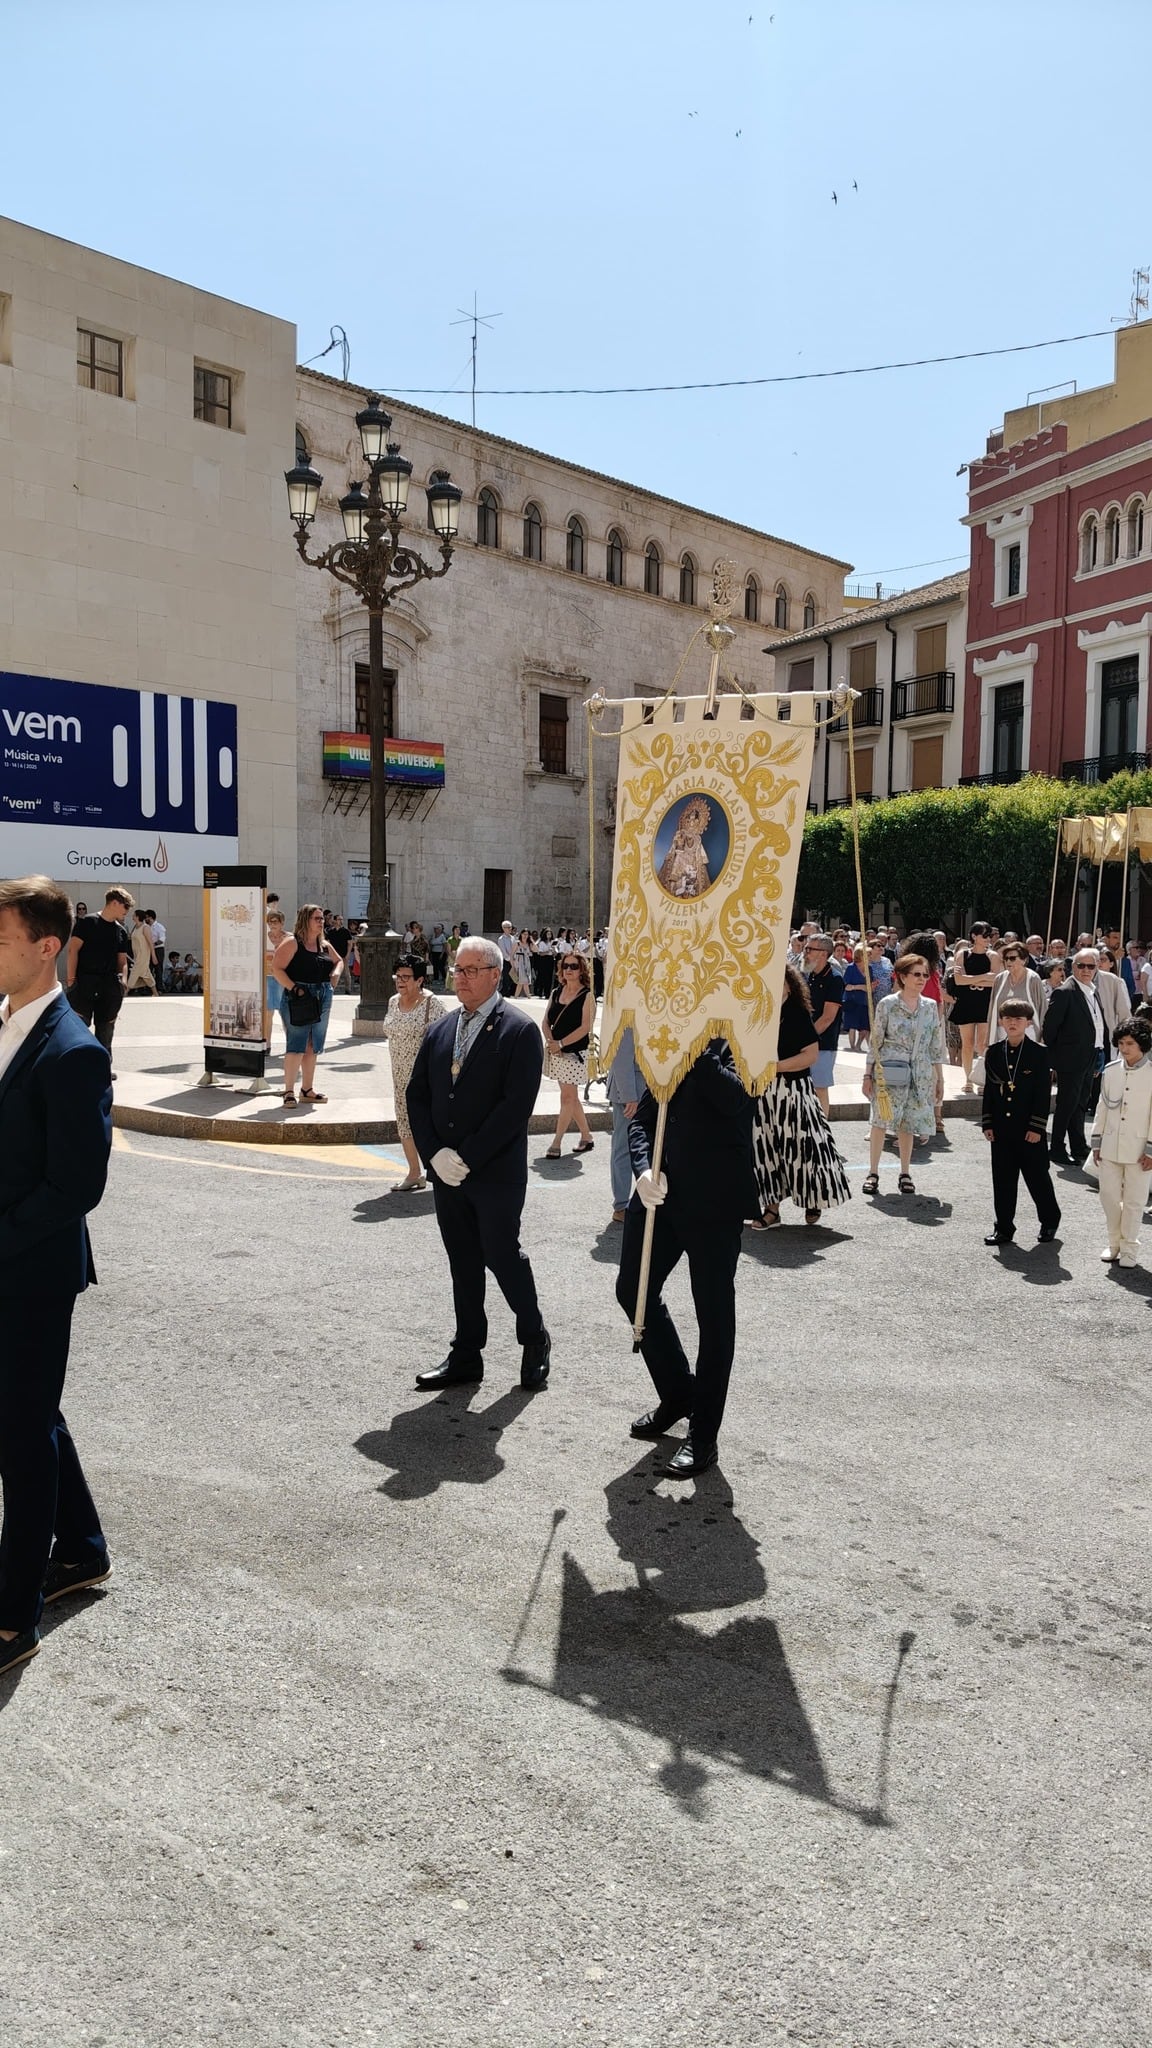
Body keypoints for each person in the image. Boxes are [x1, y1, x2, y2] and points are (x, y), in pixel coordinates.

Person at [0, 877, 113, 1677]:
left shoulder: (74, 1051)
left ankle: (14, 1618)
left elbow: (76, 1187)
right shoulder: (5, 1023)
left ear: (46, 948)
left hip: (32, 1270)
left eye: (0, 939)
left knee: (19, 1436)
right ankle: (81, 1547)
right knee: (32, 1410)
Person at [407, 936, 551, 1393]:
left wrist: (466, 1156)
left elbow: (514, 1107)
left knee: (501, 1255)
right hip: (446, 1169)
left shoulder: (519, 1031)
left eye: (471, 971)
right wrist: (433, 1152)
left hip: (494, 1172)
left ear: (495, 975)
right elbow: (417, 1094)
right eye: (458, 970)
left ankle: (534, 1336)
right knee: (463, 1261)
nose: (462, 979)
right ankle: (466, 1353)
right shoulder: (440, 1029)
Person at [617, 1039, 757, 1479]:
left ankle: (703, 1434)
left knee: (713, 1317)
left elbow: (737, 1101)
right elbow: (644, 1118)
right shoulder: (670, 1038)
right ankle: (678, 1392)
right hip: (660, 1197)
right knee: (633, 1290)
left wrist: (697, 1051)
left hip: (714, 1203)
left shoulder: (742, 1035)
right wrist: (643, 1169)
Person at [751, 963, 850, 1228]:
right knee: (766, 1150)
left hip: (794, 1091)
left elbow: (810, 1055)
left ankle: (813, 1198)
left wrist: (776, 1067)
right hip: (764, 1094)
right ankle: (771, 1209)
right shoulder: (757, 1013)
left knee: (805, 1149)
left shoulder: (798, 1012)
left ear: (789, 984)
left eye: (779, 980)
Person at [861, 953, 945, 1196]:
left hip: (920, 1073)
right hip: (891, 1071)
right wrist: (867, 1075)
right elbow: (876, 1041)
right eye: (916, 974)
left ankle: (905, 1172)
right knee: (880, 1121)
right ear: (902, 976)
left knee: (909, 1123)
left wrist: (939, 1078)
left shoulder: (930, 1006)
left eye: (925, 975)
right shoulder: (887, 1004)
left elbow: (935, 1045)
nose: (921, 979)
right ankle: (873, 1172)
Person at [980, 999, 1060, 1247]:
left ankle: (1049, 1220)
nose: (1012, 1023)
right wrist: (987, 1123)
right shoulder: (995, 1052)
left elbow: (1042, 1094)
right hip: (1002, 1129)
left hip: (1028, 1128)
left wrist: (1037, 1127)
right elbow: (990, 1091)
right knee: (1003, 1180)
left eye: (1018, 1019)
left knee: (1037, 1177)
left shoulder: (1039, 1053)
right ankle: (1004, 1227)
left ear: (1028, 1023)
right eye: (1008, 1019)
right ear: (1001, 1022)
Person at [1090, 1017, 1152, 1268]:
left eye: (1130, 1044)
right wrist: (1096, 1141)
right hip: (1110, 1144)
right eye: (1122, 1043)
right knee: (1108, 1197)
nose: (1124, 1048)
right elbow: (1102, 1106)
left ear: (1142, 1045)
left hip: (1140, 1148)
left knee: (1135, 1201)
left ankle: (1129, 1248)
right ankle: (1114, 1243)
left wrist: (1151, 1149)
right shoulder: (1111, 1070)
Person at [382, 954, 447, 1191]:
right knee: (404, 1121)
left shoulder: (432, 1004)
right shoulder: (393, 1002)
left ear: (419, 980)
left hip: (424, 1076)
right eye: (398, 976)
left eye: (406, 977)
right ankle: (414, 1172)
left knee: (429, 1123)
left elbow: (446, 1037)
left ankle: (441, 1171)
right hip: (399, 1075)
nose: (400, 981)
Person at [271, 905, 342, 1107]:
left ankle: (307, 1089)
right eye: (316, 918)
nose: (321, 922)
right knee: (297, 1044)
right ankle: (288, 1091)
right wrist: (294, 988)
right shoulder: (292, 943)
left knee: (313, 1044)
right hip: (299, 996)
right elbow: (277, 968)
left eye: (322, 918)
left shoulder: (324, 945)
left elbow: (338, 961)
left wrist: (335, 975)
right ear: (305, 920)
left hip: (322, 995)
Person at [1043, 947, 1107, 1164]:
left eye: (1091, 966)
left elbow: (1096, 1022)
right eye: (1081, 966)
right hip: (1070, 1058)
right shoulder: (1065, 992)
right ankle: (1057, 1148)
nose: (1086, 970)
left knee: (1080, 1103)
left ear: (1096, 968)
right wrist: (1058, 1058)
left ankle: (1078, 1145)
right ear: (1073, 967)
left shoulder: (1092, 989)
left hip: (1091, 1055)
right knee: (1066, 1105)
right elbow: (1050, 1029)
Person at [66, 887, 133, 1067]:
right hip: (84, 983)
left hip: (110, 986)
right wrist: (71, 981)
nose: (127, 911)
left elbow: (122, 960)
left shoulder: (120, 931)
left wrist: (123, 981)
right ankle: (75, 1068)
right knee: (78, 1028)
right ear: (114, 903)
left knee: (106, 1030)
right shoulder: (87, 923)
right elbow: (73, 951)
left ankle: (103, 1068)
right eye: (125, 906)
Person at [542, 950, 596, 1157]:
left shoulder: (587, 996)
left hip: (574, 1054)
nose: (569, 970)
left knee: (567, 1098)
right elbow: (546, 1021)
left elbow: (585, 1027)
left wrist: (561, 1043)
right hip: (556, 1053)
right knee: (571, 1098)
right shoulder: (556, 992)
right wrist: (551, 1042)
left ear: (582, 970)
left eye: (574, 966)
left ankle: (556, 1142)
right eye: (566, 966)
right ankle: (586, 1136)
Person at [949, 923, 1000, 1091]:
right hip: (966, 1002)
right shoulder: (962, 954)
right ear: (974, 936)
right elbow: (959, 980)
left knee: (982, 1044)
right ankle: (968, 1079)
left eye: (989, 935)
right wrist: (984, 977)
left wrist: (970, 980)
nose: (988, 939)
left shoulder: (993, 956)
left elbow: (995, 980)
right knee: (967, 1043)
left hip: (985, 1002)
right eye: (984, 935)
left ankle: (982, 1080)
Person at [606, 1025, 643, 1225]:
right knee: (624, 1148)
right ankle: (621, 1205)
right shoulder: (629, 1011)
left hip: (648, 1091)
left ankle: (643, 1202)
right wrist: (629, 1095)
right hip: (631, 1091)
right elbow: (621, 1056)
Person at [803, 932, 843, 1114]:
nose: (805, 952)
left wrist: (806, 1038)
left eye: (810, 949)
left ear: (823, 954)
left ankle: (823, 1126)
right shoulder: (808, 975)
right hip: (805, 1041)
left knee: (819, 1088)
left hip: (823, 1044)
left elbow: (828, 1017)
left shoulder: (834, 978)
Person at [987, 944, 1047, 1044]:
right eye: (1006, 959)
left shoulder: (1033, 978)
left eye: (1012, 958)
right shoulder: (999, 979)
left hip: (1028, 1032)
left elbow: (1042, 1008)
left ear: (1024, 960)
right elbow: (992, 1007)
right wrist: (989, 1035)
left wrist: (1043, 1036)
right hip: (1003, 1032)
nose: (1008, 962)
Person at [842, 943, 870, 1049]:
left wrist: (870, 986)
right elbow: (846, 986)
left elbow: (869, 985)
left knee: (865, 1027)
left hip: (864, 1001)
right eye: (868, 954)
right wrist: (860, 987)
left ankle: (860, 1045)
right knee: (852, 1026)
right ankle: (853, 1047)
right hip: (852, 1001)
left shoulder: (869, 968)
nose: (870, 956)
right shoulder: (851, 968)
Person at [126, 908, 157, 995]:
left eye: (134, 915)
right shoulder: (135, 927)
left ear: (138, 917)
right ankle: (155, 993)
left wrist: (153, 956)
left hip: (143, 955)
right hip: (137, 955)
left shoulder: (145, 928)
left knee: (134, 972)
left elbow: (150, 942)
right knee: (146, 974)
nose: (132, 916)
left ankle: (125, 992)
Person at [265, 908, 287, 1029]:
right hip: (267, 977)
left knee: (285, 1013)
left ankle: (291, 1040)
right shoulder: (262, 937)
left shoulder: (288, 938)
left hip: (282, 978)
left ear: (282, 923)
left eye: (275, 922)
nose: (272, 925)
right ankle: (267, 1040)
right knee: (268, 1013)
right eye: (269, 922)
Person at [144, 910, 166, 988]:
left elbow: (162, 939)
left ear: (150, 917)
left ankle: (159, 988)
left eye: (146, 917)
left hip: (158, 950)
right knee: (148, 969)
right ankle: (148, 988)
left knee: (158, 969)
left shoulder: (159, 927)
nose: (145, 919)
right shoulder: (146, 927)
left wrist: (153, 944)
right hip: (148, 950)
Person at [513, 928, 533, 998]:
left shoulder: (529, 944)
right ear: (521, 934)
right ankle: (517, 996)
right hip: (519, 961)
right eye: (524, 934)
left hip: (527, 961)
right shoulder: (517, 943)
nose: (525, 936)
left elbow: (536, 950)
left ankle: (527, 996)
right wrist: (513, 964)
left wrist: (532, 940)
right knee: (521, 981)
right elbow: (512, 954)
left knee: (526, 981)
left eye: (527, 934)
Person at [497, 920, 516, 995]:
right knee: (506, 976)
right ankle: (505, 992)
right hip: (506, 960)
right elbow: (503, 951)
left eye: (510, 927)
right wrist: (509, 959)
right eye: (508, 927)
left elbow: (515, 948)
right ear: (503, 928)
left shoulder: (513, 938)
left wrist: (514, 959)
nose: (510, 929)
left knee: (513, 976)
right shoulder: (501, 939)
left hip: (513, 960)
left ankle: (512, 992)